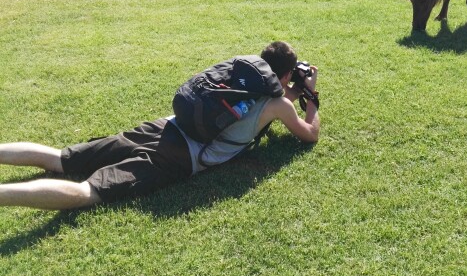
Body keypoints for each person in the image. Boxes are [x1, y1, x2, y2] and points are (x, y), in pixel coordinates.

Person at [0, 41, 319, 210]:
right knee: (88, 191)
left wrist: (291, 88)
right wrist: (312, 100)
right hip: (181, 156)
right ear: (287, 75)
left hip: (165, 126)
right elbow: (309, 135)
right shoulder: (280, 106)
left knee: (61, 159)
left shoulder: (241, 73)